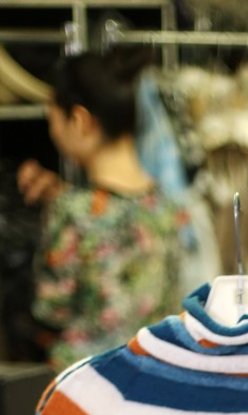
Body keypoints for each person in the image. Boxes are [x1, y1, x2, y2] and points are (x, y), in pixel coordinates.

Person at [17, 48, 185, 372]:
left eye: (53, 120)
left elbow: (51, 309)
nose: (53, 134)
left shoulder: (73, 212)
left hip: (87, 385)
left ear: (79, 120)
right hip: (154, 375)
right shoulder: (166, 206)